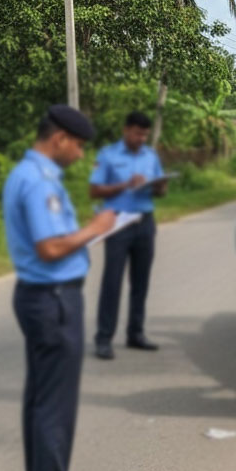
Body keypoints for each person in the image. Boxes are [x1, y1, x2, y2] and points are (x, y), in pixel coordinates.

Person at [3, 105, 115, 471]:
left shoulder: (30, 174)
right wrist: (95, 229)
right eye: (79, 146)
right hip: (53, 298)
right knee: (55, 403)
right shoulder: (39, 182)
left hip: (41, 296)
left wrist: (81, 233)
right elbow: (49, 248)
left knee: (41, 397)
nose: (81, 155)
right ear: (60, 139)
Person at [89, 111, 168, 360]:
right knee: (112, 282)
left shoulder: (150, 156)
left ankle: (136, 333)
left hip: (145, 222)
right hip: (118, 223)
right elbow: (94, 190)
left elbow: (161, 191)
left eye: (145, 134)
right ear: (126, 130)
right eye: (137, 133)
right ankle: (104, 338)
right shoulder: (108, 155)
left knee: (141, 282)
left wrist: (158, 186)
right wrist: (124, 185)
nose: (141, 139)